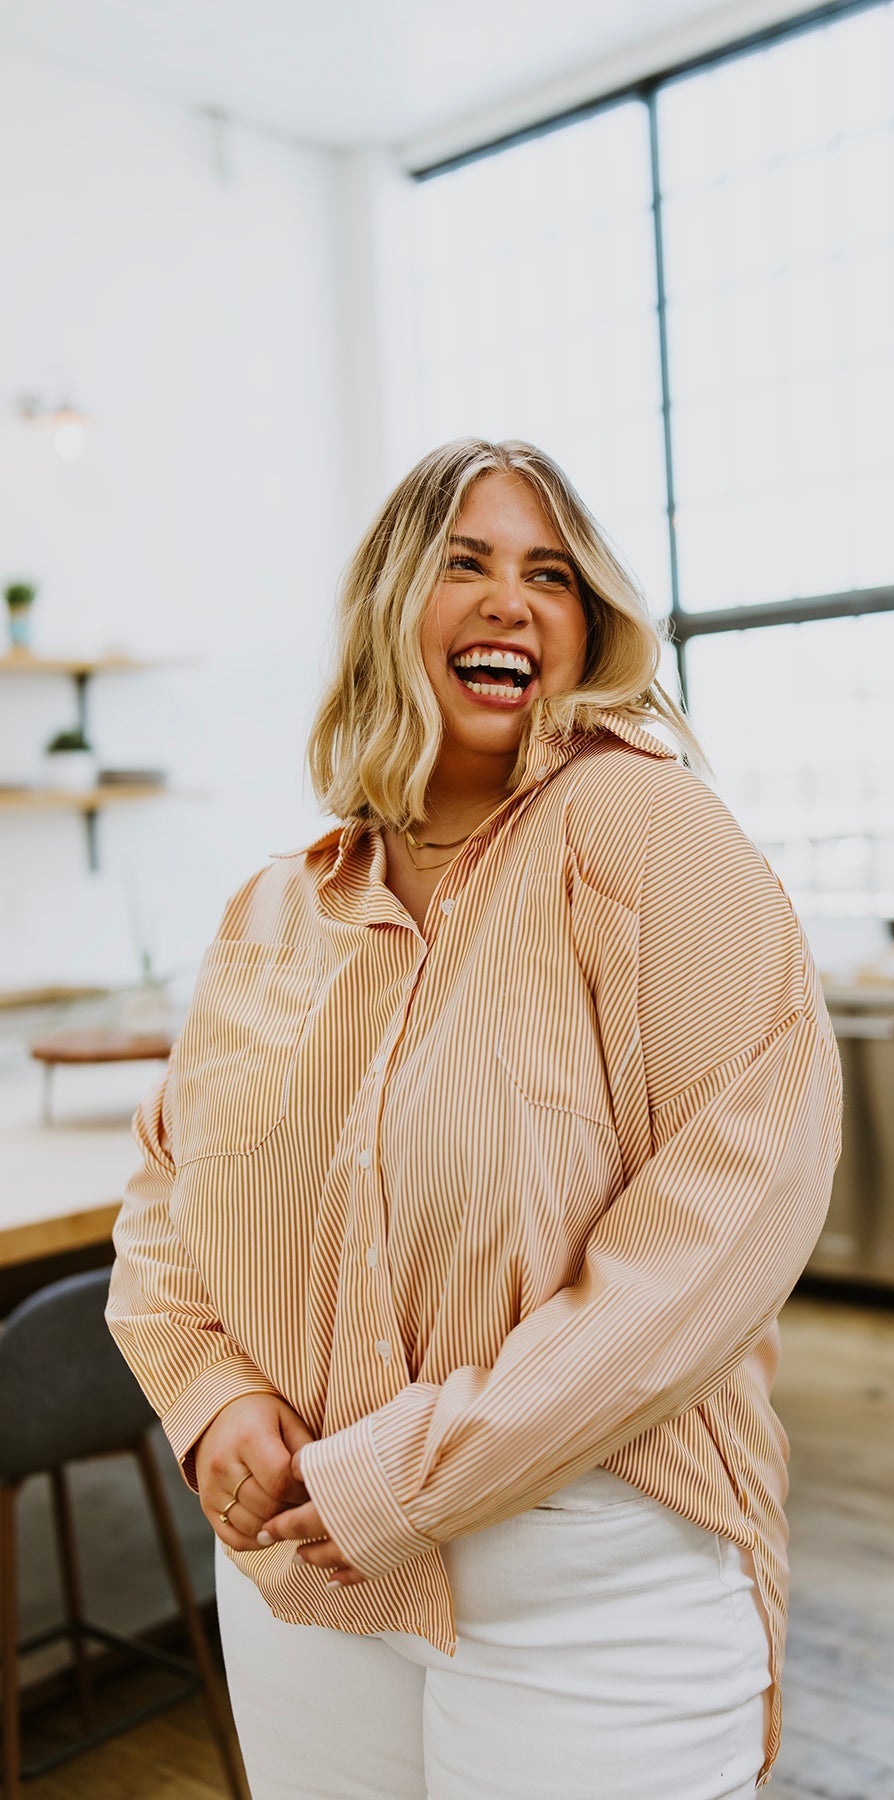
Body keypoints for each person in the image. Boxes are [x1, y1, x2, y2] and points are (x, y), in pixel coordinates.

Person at [107, 437, 842, 1799]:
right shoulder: (277, 905)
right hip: (299, 1571)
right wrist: (212, 1404)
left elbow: (721, 1226)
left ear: (587, 626)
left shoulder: (640, 827)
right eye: (467, 563)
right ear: (391, 603)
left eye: (548, 574)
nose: (511, 601)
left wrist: (409, 1476)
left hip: (588, 1567)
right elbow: (163, 1190)